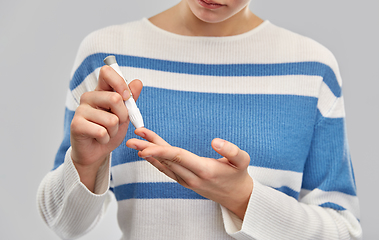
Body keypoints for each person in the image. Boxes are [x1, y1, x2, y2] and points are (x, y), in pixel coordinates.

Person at [37, 0, 362, 239]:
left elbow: (344, 231)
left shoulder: (312, 66)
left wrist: (241, 198)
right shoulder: (107, 57)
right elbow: (64, 223)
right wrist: (85, 164)